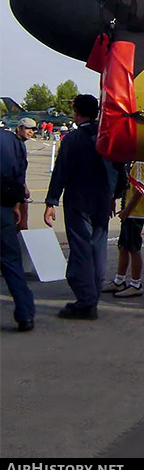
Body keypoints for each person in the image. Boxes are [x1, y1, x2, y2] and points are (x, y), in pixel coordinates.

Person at [43, 95, 123, 320]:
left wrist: (51, 201)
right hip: (102, 200)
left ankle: (86, 302)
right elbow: (120, 169)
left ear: (78, 113)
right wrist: (113, 195)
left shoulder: (74, 139)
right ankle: (93, 295)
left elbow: (61, 172)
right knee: (98, 248)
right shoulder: (106, 136)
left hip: (79, 200)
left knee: (81, 250)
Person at [1, 118, 37, 331]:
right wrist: (16, 205)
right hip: (4, 208)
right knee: (12, 263)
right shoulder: (14, 144)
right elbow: (19, 179)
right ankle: (25, 313)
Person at [103, 161, 144, 298]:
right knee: (123, 246)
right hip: (129, 213)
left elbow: (139, 189)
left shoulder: (139, 164)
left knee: (133, 248)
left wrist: (128, 210)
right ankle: (119, 280)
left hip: (135, 214)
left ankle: (136, 284)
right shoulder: (131, 164)